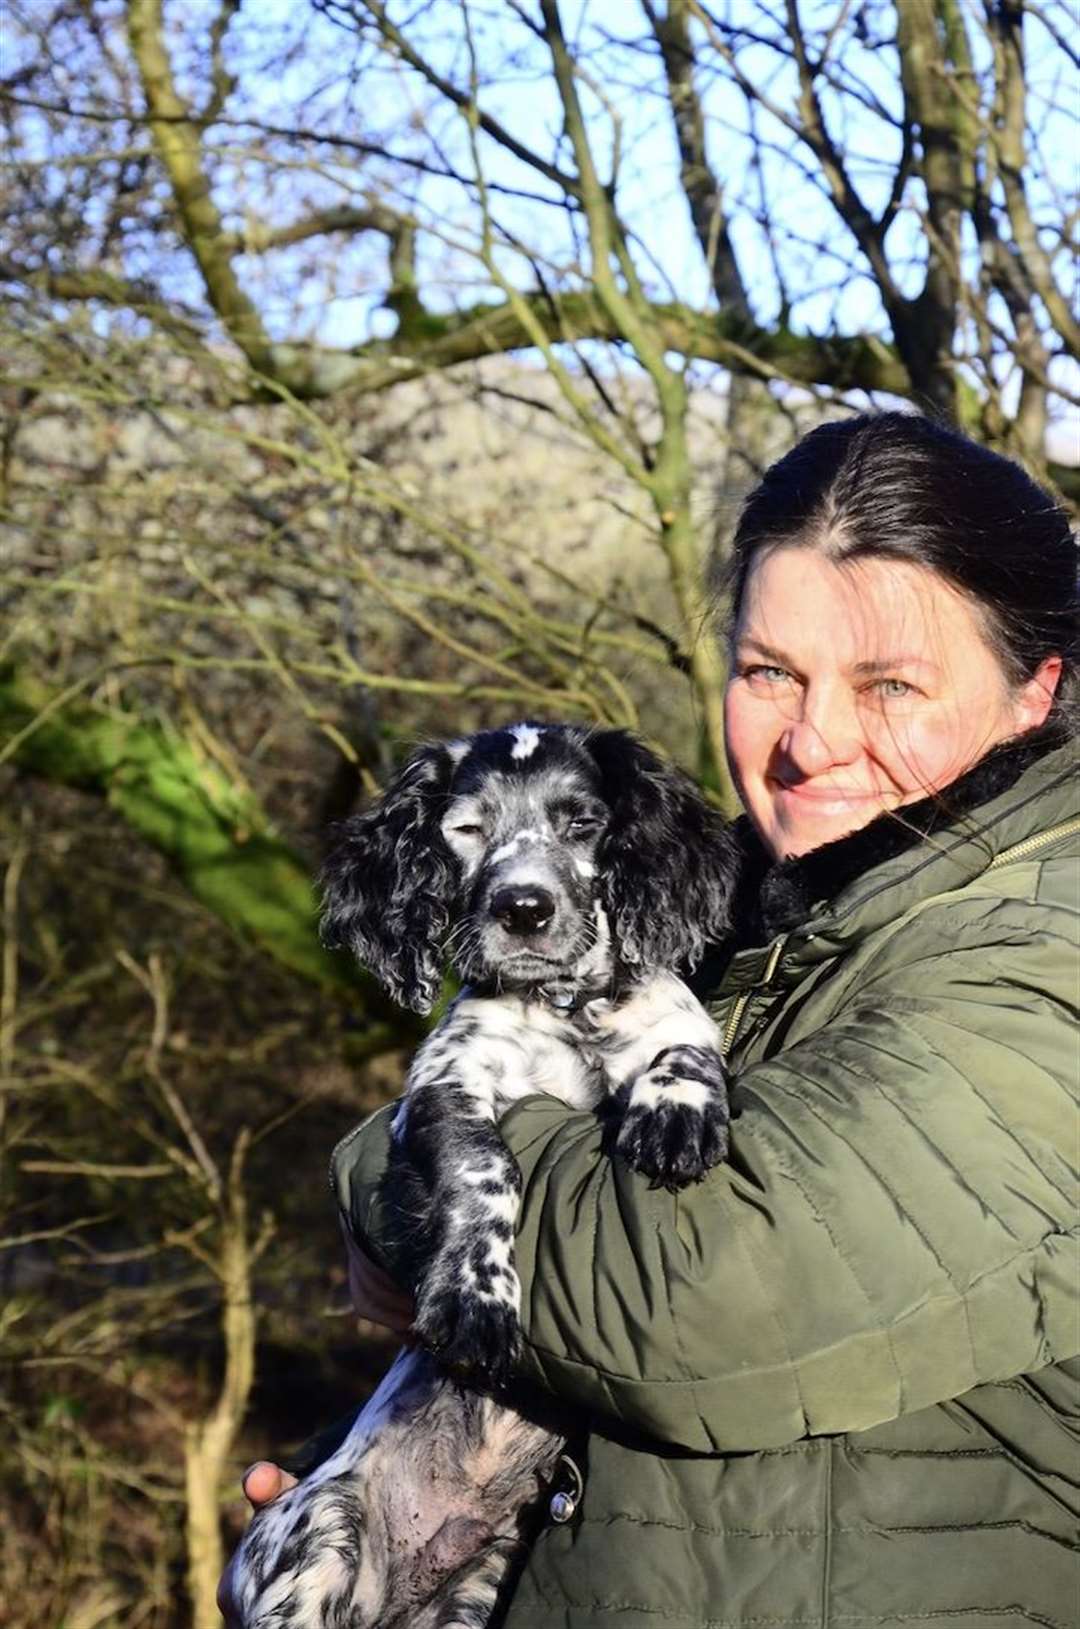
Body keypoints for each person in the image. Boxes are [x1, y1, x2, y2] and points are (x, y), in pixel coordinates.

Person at [222, 412, 1079, 1627]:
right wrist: (371, 1472)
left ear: (1034, 690)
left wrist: (393, 1170)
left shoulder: (1049, 952)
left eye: (890, 684)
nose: (810, 742)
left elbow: (695, 1297)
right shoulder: (729, 909)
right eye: (769, 671)